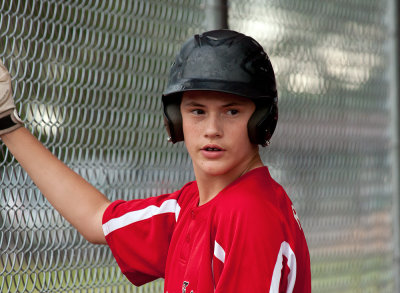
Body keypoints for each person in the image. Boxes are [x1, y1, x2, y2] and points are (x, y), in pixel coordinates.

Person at [0, 29, 311, 292]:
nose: (213, 130)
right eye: (197, 111)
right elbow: (96, 219)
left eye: (232, 111)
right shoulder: (188, 207)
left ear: (261, 120)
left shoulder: (248, 214)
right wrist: (7, 124)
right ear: (176, 121)